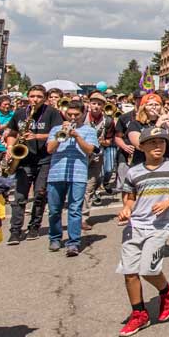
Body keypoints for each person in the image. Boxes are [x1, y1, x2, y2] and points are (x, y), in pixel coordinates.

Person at [114, 126, 169, 337]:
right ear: (141, 146)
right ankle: (139, 314)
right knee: (130, 272)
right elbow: (129, 197)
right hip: (135, 226)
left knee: (149, 270)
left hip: (158, 226)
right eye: (152, 143)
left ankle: (167, 291)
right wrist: (126, 209)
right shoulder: (134, 172)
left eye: (162, 142)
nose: (158, 146)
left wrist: (168, 203)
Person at [3, 85, 62, 243]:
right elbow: (12, 132)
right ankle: (15, 230)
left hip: (44, 159)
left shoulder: (52, 113)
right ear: (28, 96)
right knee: (19, 196)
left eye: (39, 96)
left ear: (44, 98)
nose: (35, 99)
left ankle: (34, 226)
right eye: (32, 96)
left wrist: (37, 136)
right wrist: (10, 147)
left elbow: (59, 133)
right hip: (24, 160)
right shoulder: (21, 113)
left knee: (39, 195)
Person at [45, 101, 96, 255]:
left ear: (83, 114)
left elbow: (89, 150)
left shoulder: (89, 130)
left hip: (78, 174)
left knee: (75, 210)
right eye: (70, 114)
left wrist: (77, 137)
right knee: (54, 209)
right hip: (56, 174)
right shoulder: (56, 129)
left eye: (76, 115)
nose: (73, 117)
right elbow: (49, 149)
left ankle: (73, 242)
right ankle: (55, 237)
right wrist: (62, 134)